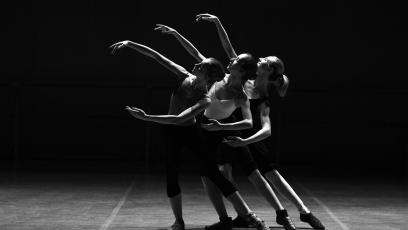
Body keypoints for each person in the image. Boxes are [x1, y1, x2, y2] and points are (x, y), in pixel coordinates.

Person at [110, 28, 267, 230]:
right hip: (172, 133)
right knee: (172, 173)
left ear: (207, 75)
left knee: (212, 172)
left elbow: (178, 119)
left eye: (200, 66)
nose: (196, 64)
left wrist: (146, 117)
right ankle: (179, 220)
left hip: (190, 132)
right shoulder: (184, 74)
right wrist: (130, 43)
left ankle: (248, 215)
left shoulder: (204, 99)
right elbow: (157, 56)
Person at [196, 13, 325, 230]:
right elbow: (229, 49)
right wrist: (218, 22)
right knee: (224, 170)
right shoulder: (245, 80)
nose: (260, 60)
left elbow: (266, 130)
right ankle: (241, 214)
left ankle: (302, 211)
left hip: (251, 137)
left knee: (270, 175)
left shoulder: (263, 99)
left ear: (270, 70)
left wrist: (246, 141)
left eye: (265, 61)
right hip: (232, 130)